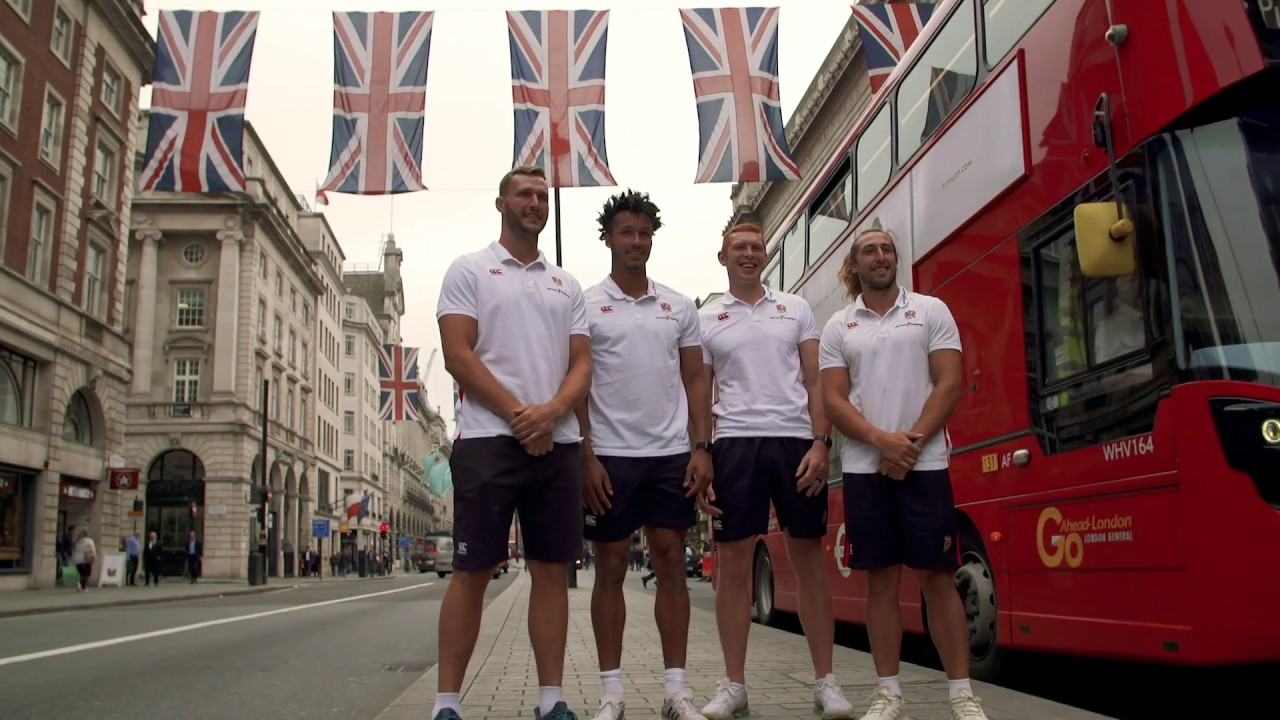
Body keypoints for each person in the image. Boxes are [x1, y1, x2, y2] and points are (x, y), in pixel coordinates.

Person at [432, 165, 592, 720]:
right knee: (472, 571)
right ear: (501, 203)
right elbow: (458, 354)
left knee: (551, 570)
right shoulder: (469, 270)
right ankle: (446, 704)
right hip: (487, 441)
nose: (535, 203)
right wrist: (520, 415)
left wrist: (550, 414)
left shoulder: (567, 284)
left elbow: (582, 364)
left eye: (542, 196)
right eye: (524, 194)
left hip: (558, 442)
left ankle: (551, 701)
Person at [818, 227, 987, 720]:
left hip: (925, 465)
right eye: (870, 250)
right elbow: (832, 399)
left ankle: (961, 695)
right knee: (881, 581)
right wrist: (880, 442)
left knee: (938, 577)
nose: (880, 256)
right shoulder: (838, 327)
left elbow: (949, 383)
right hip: (865, 471)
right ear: (856, 263)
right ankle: (889, 693)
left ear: (896, 259)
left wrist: (906, 444)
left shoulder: (931, 311)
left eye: (887, 250)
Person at [697, 223, 854, 720]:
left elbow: (816, 380)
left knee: (810, 560)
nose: (748, 254)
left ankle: (826, 683)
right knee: (733, 564)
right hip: (734, 445)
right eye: (738, 248)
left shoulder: (797, 308)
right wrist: (699, 453)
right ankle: (733, 686)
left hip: (794, 444)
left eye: (756, 247)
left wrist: (821, 441)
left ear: (765, 255)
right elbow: (699, 393)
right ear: (722, 257)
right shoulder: (705, 319)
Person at [574, 189, 713, 720]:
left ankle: (676, 692)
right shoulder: (583, 303)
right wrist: (585, 456)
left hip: (670, 455)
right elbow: (578, 384)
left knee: (671, 564)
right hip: (609, 457)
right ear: (607, 238)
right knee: (608, 568)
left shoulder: (679, 305)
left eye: (644, 233)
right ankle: (611, 693)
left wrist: (702, 448)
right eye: (626, 232)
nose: (636, 241)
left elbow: (696, 379)